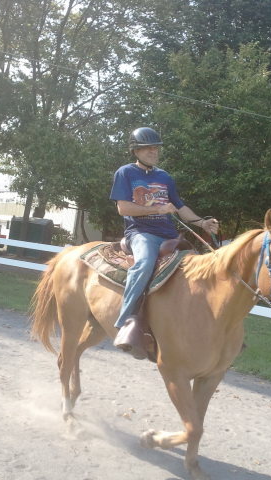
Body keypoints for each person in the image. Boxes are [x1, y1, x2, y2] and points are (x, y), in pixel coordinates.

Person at [109, 127, 219, 358]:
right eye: (148, 148)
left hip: (169, 234)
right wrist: (158, 208)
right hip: (141, 233)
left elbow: (180, 207)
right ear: (135, 150)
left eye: (156, 148)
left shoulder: (164, 177)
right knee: (145, 263)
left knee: (199, 268)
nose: (154, 152)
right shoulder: (126, 173)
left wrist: (202, 223)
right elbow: (123, 208)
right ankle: (124, 321)